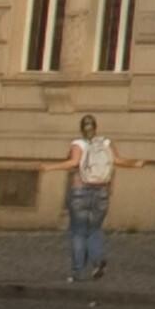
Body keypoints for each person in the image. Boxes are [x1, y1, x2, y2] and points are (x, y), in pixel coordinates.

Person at [61, 114, 115, 282]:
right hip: (101, 191)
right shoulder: (105, 144)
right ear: (96, 128)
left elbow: (71, 167)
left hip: (80, 191)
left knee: (78, 232)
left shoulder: (77, 145)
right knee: (94, 229)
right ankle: (97, 262)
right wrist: (109, 188)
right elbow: (112, 165)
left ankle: (78, 272)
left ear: (81, 129)